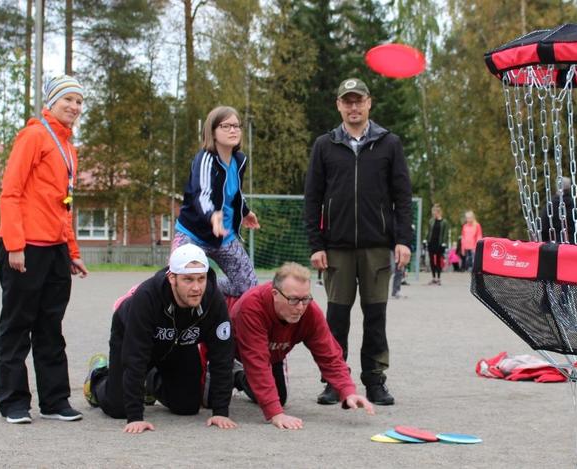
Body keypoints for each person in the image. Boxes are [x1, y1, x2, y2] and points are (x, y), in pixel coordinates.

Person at [303, 78, 413, 406]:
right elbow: (312, 199)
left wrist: (403, 240)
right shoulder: (324, 145)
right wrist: (316, 244)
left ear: (369, 103)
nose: (353, 107)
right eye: (347, 101)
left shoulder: (389, 143)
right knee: (335, 317)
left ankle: (375, 381)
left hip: (378, 247)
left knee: (375, 316)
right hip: (335, 248)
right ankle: (335, 381)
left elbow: (402, 196)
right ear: (338, 105)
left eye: (358, 101)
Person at [0, 75, 89, 424]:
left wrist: (72, 250)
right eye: (68, 100)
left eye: (79, 102)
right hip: (25, 248)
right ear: (51, 102)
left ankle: (54, 401)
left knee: (51, 326)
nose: (75, 107)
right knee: (17, 326)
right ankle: (15, 403)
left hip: (54, 251)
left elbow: (64, 205)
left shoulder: (68, 147)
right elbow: (11, 191)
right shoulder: (34, 135)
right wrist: (14, 245)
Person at [82, 244, 237, 434]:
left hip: (180, 343)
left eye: (201, 279)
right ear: (172, 278)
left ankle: (149, 382)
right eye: (188, 280)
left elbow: (222, 355)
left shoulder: (213, 300)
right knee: (118, 409)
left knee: (187, 407)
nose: (196, 287)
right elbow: (135, 358)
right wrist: (136, 417)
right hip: (133, 338)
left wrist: (221, 411)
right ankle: (98, 378)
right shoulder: (147, 296)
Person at [231, 263, 376, 429]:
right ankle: (231, 371)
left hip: (273, 354)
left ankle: (238, 376)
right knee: (207, 400)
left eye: (305, 299)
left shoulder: (310, 312)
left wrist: (348, 391)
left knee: (279, 396)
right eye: (293, 300)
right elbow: (257, 363)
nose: (300, 308)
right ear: (275, 294)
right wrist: (275, 414)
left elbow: (329, 355)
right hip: (236, 353)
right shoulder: (251, 307)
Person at [174, 106, 260, 301]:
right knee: (177, 282)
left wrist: (245, 212)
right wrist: (213, 215)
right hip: (193, 234)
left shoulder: (240, 160)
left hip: (224, 236)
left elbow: (234, 190)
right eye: (226, 126)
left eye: (237, 126)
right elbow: (201, 194)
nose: (233, 130)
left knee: (249, 288)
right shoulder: (205, 159)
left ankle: (209, 286)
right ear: (212, 131)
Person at [426, 204, 450, 285]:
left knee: (439, 261)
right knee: (432, 261)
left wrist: (444, 243)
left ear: (438, 212)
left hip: (439, 244)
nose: (433, 214)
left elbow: (445, 234)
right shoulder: (431, 221)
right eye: (433, 212)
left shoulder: (444, 222)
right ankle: (433, 278)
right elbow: (428, 232)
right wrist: (426, 240)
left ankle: (439, 278)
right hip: (431, 243)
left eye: (434, 212)